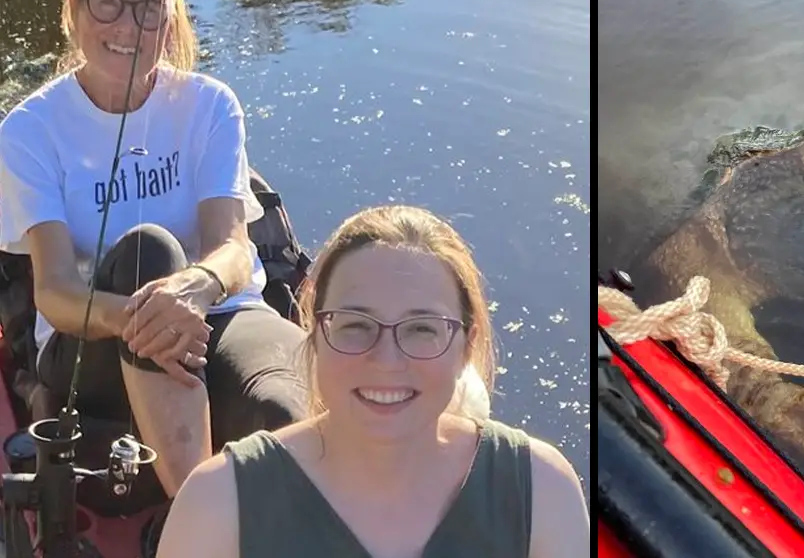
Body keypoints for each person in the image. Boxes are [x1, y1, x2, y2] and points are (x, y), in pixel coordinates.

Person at [0, 0, 308, 501]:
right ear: (73, 8)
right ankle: (197, 513)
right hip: (92, 346)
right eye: (109, 4)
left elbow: (235, 249)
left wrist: (193, 288)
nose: (127, 27)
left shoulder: (210, 104)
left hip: (217, 318)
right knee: (149, 250)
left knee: (285, 407)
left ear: (170, 21)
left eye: (147, 9)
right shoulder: (29, 130)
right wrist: (146, 314)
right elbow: (56, 293)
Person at [156, 205, 590, 557]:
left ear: (465, 345)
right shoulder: (217, 505)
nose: (386, 360)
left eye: (422, 328)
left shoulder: (541, 492)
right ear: (314, 333)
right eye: (355, 325)